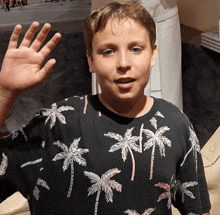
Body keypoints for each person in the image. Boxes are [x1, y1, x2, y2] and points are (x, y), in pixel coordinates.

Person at [0, 0, 211, 214]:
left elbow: (198, 209)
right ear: (90, 60)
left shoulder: (176, 125)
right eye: (108, 51)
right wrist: (5, 93)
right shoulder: (59, 123)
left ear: (153, 53)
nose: (123, 63)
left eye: (136, 49)